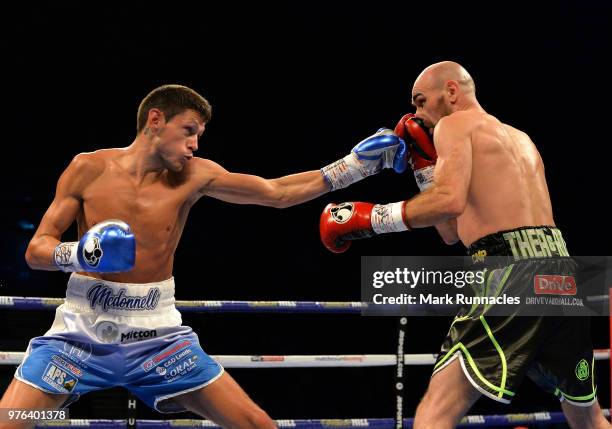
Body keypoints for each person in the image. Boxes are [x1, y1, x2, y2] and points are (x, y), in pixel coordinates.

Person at [0, 84, 408, 429]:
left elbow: (277, 192)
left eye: (200, 135)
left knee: (257, 425)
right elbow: (36, 250)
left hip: (157, 339)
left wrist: (353, 167)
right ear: (155, 121)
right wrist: (83, 254)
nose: (195, 145)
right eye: (189, 131)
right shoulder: (87, 168)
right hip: (80, 335)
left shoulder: (195, 175)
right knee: (12, 419)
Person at [319, 62, 611, 429]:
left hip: (509, 273)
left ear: (452, 92)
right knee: (588, 417)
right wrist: (425, 166)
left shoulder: (454, 125)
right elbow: (451, 232)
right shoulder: (520, 138)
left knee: (434, 412)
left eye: (421, 101)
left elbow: (448, 202)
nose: (417, 113)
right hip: (563, 273)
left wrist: (370, 219)